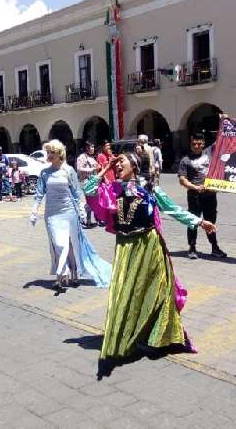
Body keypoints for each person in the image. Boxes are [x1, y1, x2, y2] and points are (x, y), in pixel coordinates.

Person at [84, 152, 217, 379]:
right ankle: (125, 335)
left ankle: (158, 336)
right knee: (124, 293)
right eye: (116, 165)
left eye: (121, 163)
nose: (117, 167)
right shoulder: (113, 188)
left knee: (156, 292)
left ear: (134, 166)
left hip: (149, 245)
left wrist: (199, 221)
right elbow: (88, 190)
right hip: (125, 248)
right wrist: (105, 169)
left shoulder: (150, 188)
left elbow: (173, 209)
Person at [30, 140, 111, 293]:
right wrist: (34, 211)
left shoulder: (68, 171)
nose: (49, 155)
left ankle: (70, 274)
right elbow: (39, 193)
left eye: (52, 152)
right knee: (59, 244)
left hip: (69, 213)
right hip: (52, 215)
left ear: (59, 154)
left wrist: (81, 208)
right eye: (48, 152)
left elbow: (76, 192)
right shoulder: (45, 173)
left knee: (71, 245)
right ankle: (62, 272)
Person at [178, 133, 227, 259]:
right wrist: (195, 187)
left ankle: (215, 248)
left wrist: (225, 123)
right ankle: (192, 248)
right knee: (193, 222)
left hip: (210, 196)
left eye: (199, 144)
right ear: (191, 144)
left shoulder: (209, 153)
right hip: (194, 196)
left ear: (203, 144)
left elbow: (221, 141)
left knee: (211, 222)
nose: (196, 146)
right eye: (194, 144)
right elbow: (182, 179)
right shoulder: (185, 160)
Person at [76, 142, 99, 228]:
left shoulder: (92, 157)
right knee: (84, 203)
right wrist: (92, 169)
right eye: (92, 147)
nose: (93, 149)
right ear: (87, 148)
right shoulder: (81, 157)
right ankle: (83, 221)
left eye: (93, 147)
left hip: (91, 182)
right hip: (84, 182)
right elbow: (79, 168)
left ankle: (89, 221)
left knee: (90, 203)